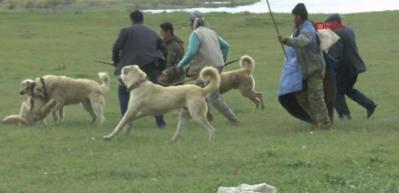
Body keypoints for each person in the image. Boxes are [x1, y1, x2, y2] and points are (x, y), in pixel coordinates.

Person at [176, 11, 240, 124]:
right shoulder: (211, 32)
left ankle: (233, 119)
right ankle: (200, 116)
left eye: (189, 22)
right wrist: (222, 60)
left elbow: (191, 52)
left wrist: (180, 64)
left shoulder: (196, 34)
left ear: (192, 22)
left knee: (213, 97)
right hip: (216, 66)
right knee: (196, 91)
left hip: (208, 69)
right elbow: (226, 47)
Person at [278, 3, 332, 129]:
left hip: (314, 70)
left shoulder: (307, 30)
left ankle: (325, 124)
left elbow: (302, 41)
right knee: (301, 97)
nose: (293, 19)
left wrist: (286, 40)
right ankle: (315, 120)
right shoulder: (298, 29)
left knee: (316, 97)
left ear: (299, 16)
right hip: (303, 70)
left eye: (294, 16)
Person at [112, 10, 167, 128]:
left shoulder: (125, 31)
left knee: (123, 91)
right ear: (142, 19)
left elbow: (116, 48)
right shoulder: (152, 32)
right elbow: (164, 50)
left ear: (131, 19)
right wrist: (161, 68)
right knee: (156, 94)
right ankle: (160, 122)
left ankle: (126, 122)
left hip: (130, 68)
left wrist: (117, 63)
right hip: (149, 65)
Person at [326, 13, 377, 119]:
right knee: (348, 90)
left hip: (345, 68)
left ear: (335, 23)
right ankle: (370, 105)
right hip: (355, 67)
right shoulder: (349, 30)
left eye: (329, 23)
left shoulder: (336, 33)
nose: (327, 26)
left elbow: (337, 55)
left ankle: (344, 114)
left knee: (336, 91)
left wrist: (330, 65)